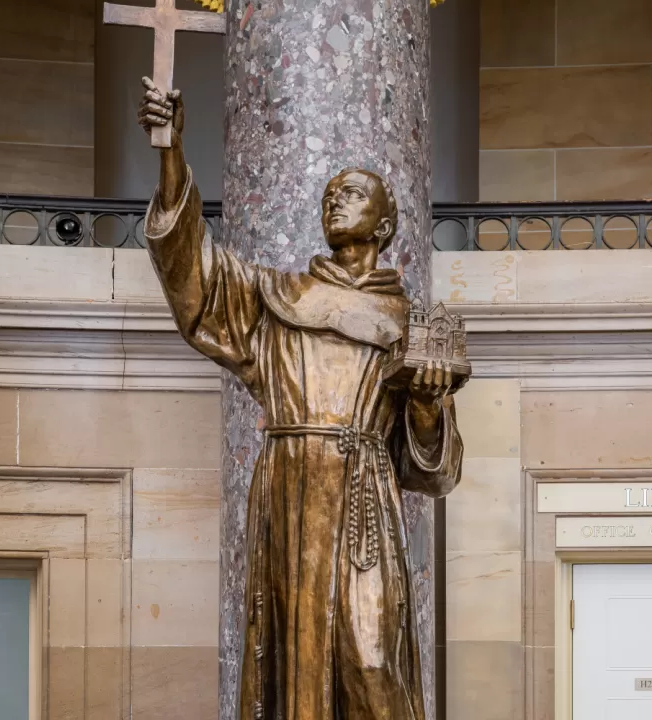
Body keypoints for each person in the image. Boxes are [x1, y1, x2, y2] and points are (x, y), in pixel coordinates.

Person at [138, 79, 464, 720]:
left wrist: (426, 407)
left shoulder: (409, 322)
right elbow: (195, 272)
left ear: (387, 222)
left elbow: (434, 470)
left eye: (352, 193)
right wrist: (171, 154)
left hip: (365, 494)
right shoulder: (275, 299)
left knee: (372, 662)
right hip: (290, 490)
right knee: (294, 664)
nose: (334, 201)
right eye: (329, 194)